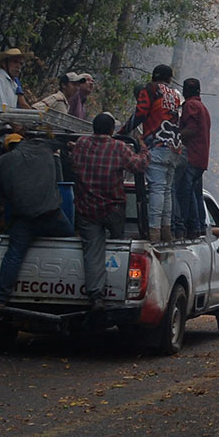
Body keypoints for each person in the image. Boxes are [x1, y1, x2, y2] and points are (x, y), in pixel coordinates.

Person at [0, 133, 69, 305]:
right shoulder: (45, 150)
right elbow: (61, 141)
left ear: (8, 147)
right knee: (72, 242)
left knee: (14, 255)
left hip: (25, 220)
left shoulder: (5, 160)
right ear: (24, 141)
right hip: (52, 215)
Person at [71, 113, 146, 312]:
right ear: (112, 130)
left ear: (93, 128)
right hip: (113, 209)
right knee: (118, 247)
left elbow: (73, 163)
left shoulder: (81, 144)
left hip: (86, 210)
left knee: (92, 252)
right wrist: (144, 149)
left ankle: (96, 296)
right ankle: (118, 290)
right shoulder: (118, 147)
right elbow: (139, 166)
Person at [126, 64, 185, 242]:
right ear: (169, 79)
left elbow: (141, 113)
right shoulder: (175, 95)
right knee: (166, 190)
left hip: (157, 144)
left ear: (153, 76)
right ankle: (166, 231)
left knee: (157, 189)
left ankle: (153, 233)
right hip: (174, 147)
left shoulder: (150, 89)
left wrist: (123, 131)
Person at [174, 79, 211, 237]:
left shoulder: (190, 105)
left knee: (185, 191)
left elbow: (191, 128)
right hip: (202, 157)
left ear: (185, 91)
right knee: (196, 192)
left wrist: (175, 137)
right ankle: (200, 225)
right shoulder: (203, 107)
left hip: (192, 155)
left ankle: (191, 226)